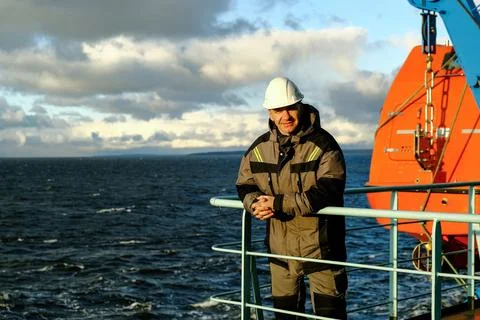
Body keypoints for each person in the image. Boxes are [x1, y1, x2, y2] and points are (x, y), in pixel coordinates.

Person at [236, 76, 348, 319]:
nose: (285, 116)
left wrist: (276, 204)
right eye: (278, 110)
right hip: (281, 255)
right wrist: (254, 204)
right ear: (269, 112)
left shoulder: (324, 145)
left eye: (290, 108)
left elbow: (328, 191)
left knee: (331, 316)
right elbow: (244, 184)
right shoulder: (259, 148)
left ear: (301, 106)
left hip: (323, 252)